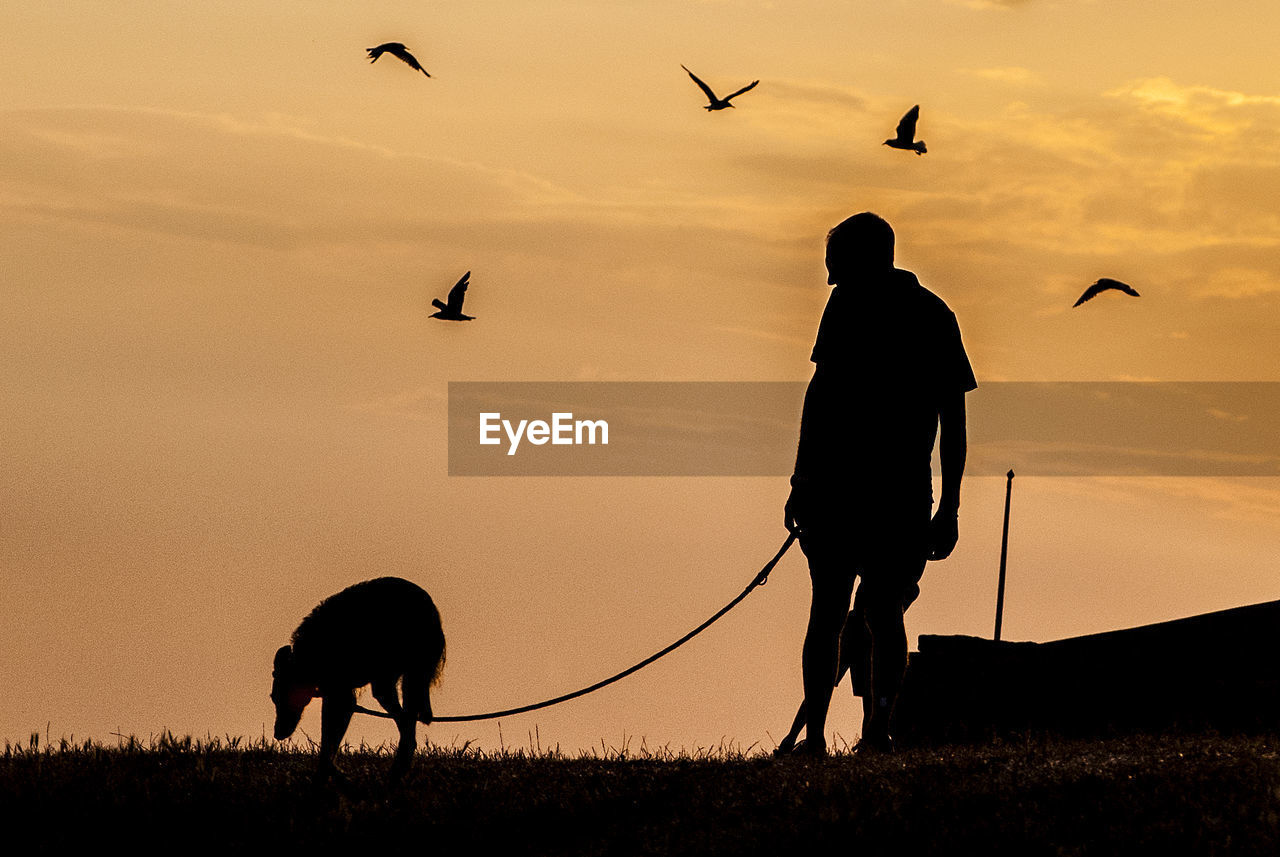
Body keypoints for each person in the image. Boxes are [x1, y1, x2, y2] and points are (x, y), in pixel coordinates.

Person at [784, 212, 976, 756]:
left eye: (836, 268)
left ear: (864, 258)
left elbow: (818, 401)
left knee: (837, 612)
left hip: (852, 492)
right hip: (887, 494)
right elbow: (952, 421)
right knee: (878, 612)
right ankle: (869, 732)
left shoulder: (859, 309)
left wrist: (803, 482)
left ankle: (835, 735)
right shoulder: (931, 313)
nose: (830, 282)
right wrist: (950, 506)